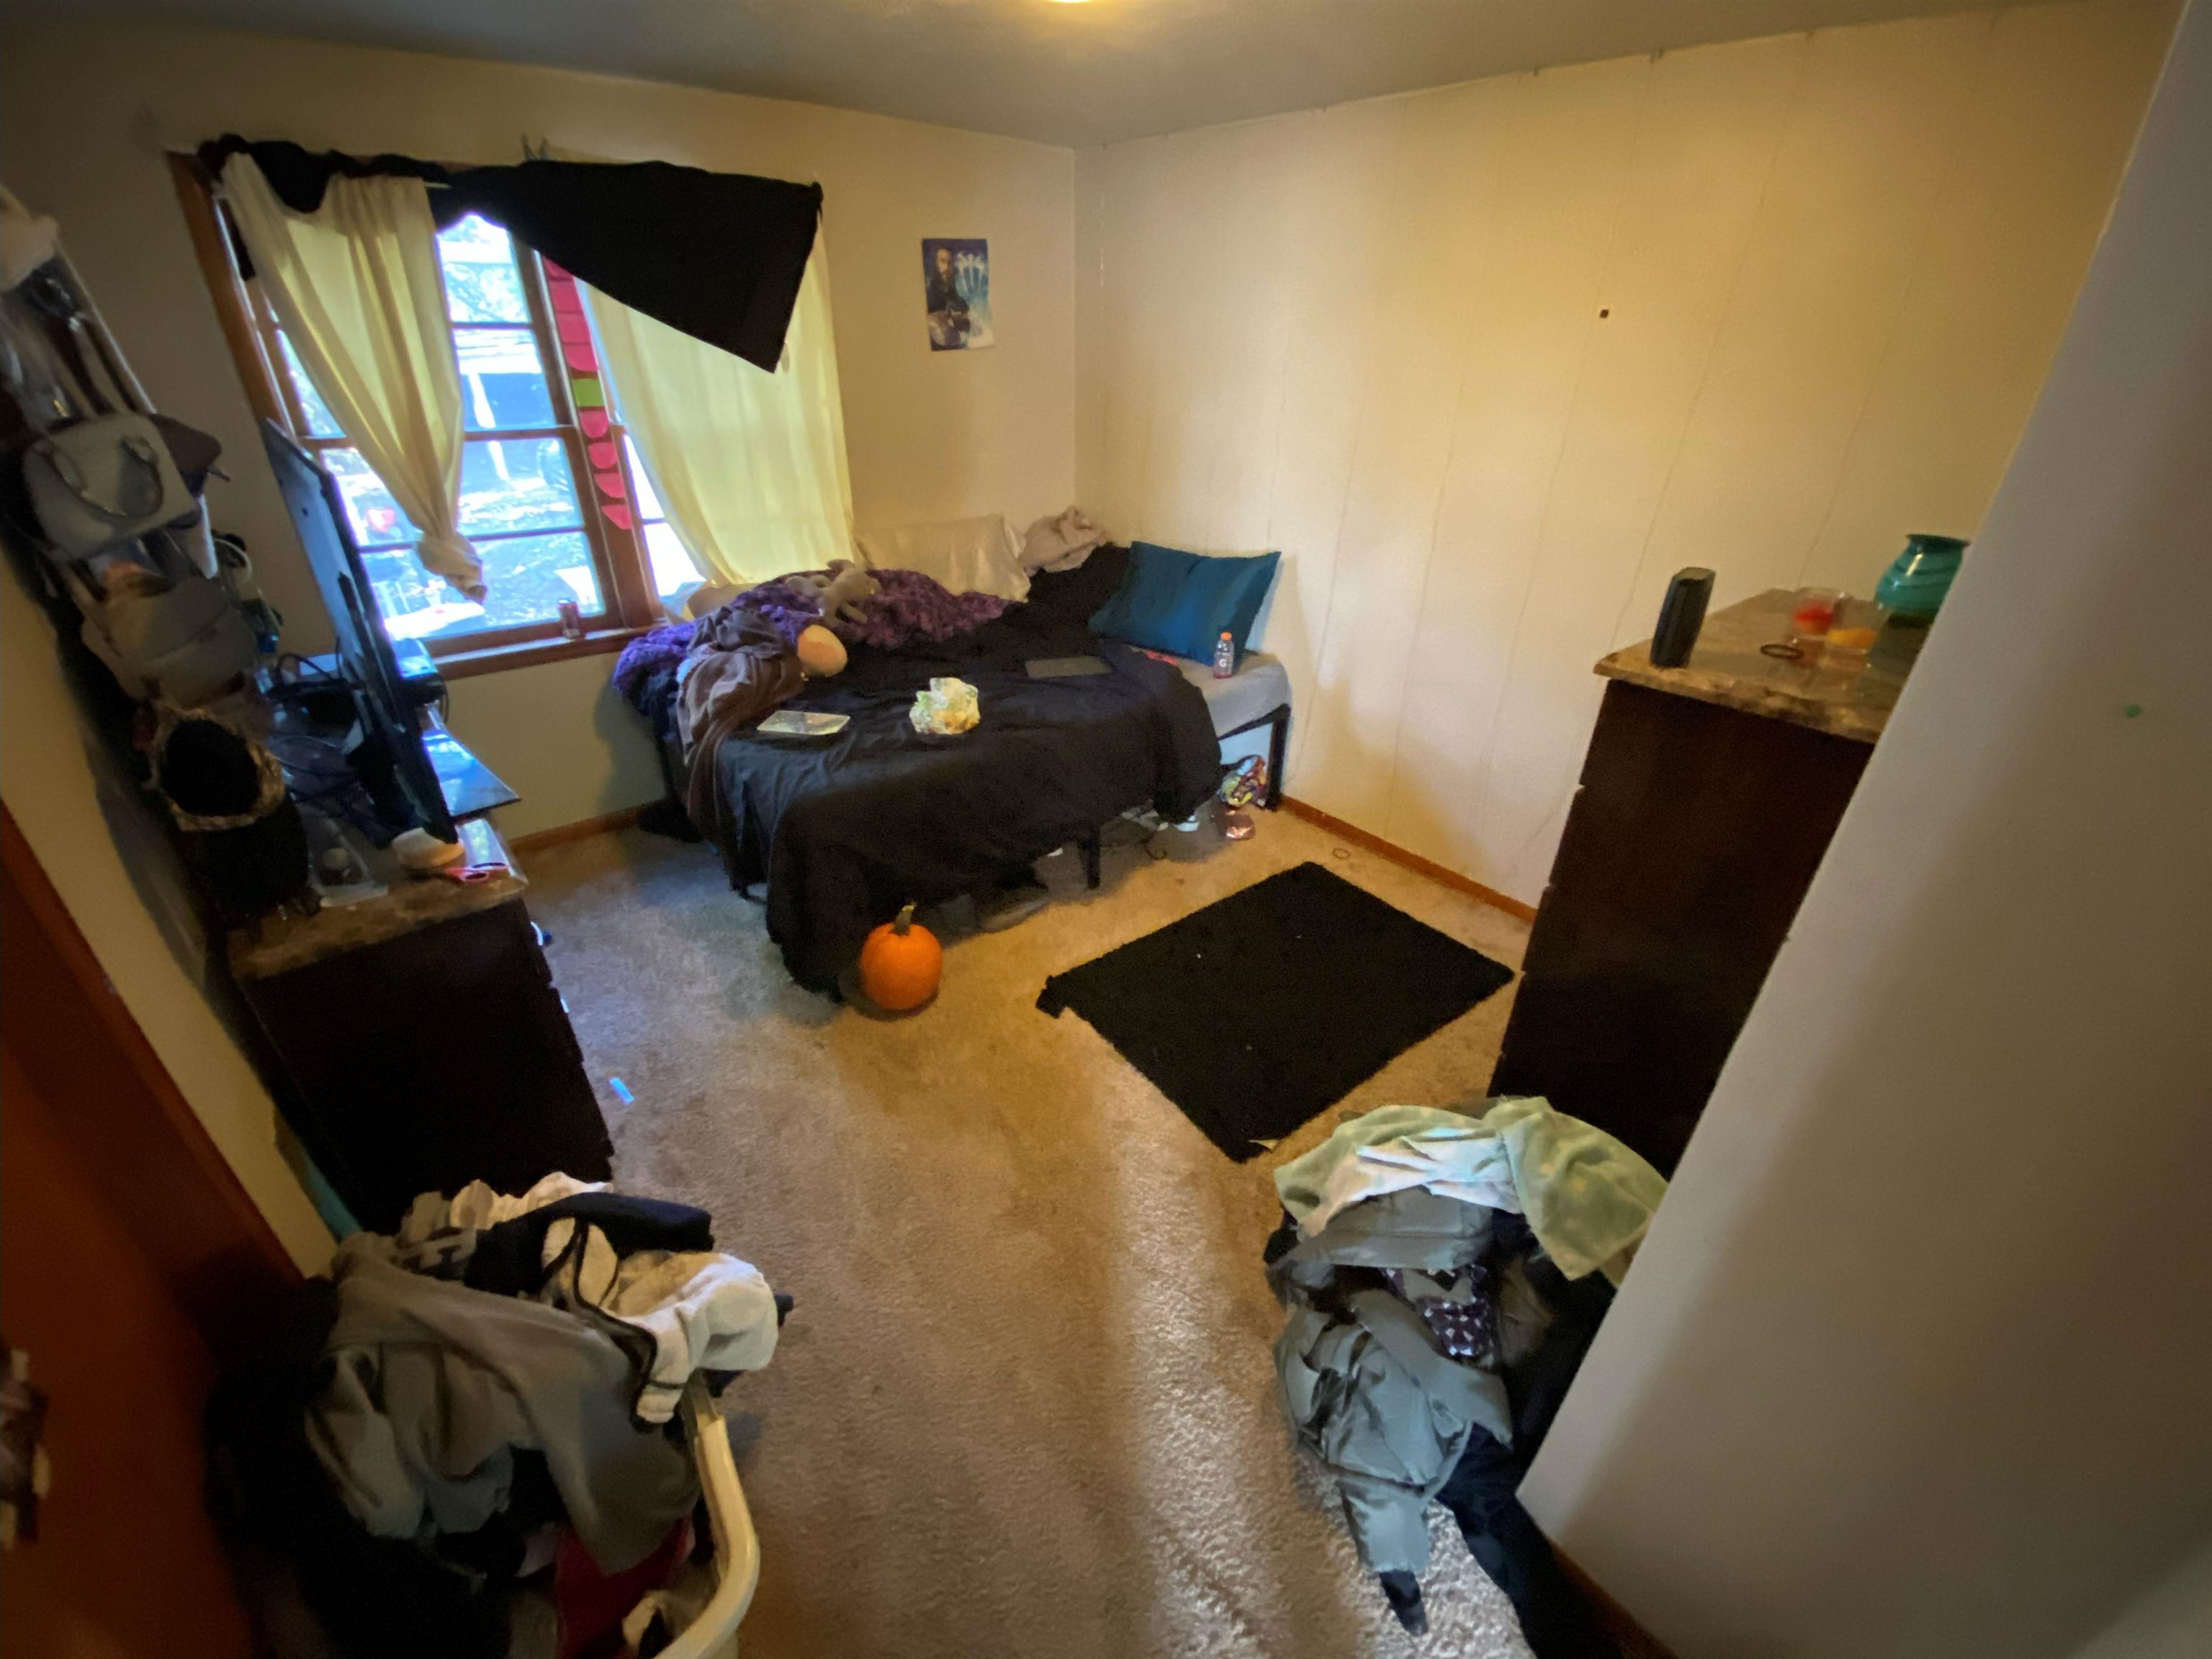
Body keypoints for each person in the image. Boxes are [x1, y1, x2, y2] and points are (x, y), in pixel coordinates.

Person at [925, 243, 971, 349]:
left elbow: (967, 325)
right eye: (943, 261)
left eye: (950, 263)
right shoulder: (929, 296)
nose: (947, 267)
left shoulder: (956, 298)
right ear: (935, 264)